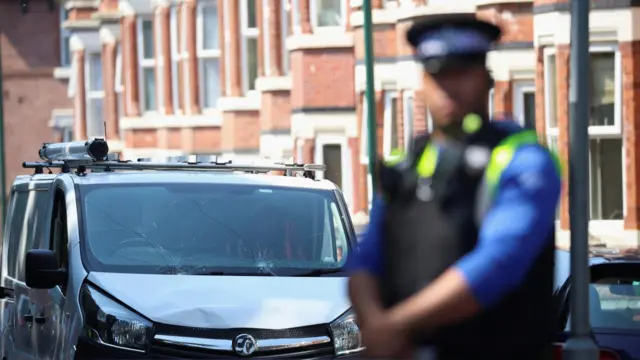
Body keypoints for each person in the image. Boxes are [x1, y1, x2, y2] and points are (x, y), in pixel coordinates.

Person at [347, 14, 562, 360]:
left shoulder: (522, 159)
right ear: (423, 82)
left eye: (461, 72)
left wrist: (395, 327)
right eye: (437, 74)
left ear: (487, 79)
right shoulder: (408, 163)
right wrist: (376, 325)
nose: (449, 86)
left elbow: (497, 264)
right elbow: (366, 260)